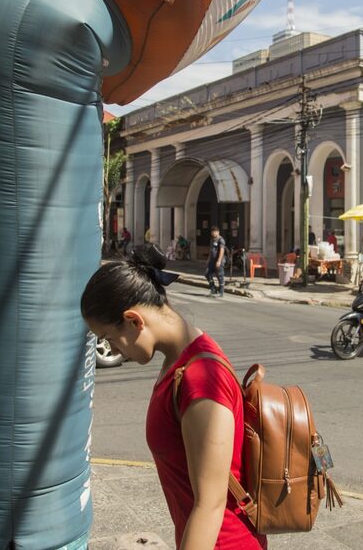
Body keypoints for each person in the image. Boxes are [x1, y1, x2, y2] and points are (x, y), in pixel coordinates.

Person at [81, 247, 264, 549]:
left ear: (133, 320)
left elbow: (210, 504)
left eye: (108, 339)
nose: (111, 351)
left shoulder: (201, 380)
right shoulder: (180, 361)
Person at [205, 226, 226, 298]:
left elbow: (222, 251)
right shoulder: (212, 240)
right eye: (212, 232)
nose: (213, 233)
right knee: (207, 274)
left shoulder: (221, 240)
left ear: (218, 232)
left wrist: (219, 261)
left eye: (215, 232)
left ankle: (221, 292)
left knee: (220, 276)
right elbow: (211, 250)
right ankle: (213, 288)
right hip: (212, 261)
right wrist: (208, 259)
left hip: (218, 261)